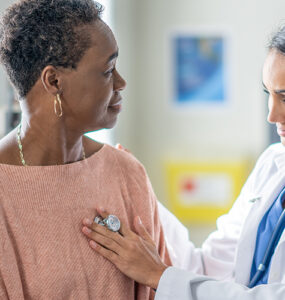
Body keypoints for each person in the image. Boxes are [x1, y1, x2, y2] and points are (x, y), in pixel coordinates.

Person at [81, 25, 285, 299]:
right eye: (267, 94)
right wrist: (141, 188)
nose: (271, 116)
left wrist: (157, 275)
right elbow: (206, 269)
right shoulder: (272, 163)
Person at [0, 0, 171, 299]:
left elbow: (166, 287)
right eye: (107, 70)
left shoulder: (127, 173)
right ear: (54, 80)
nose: (121, 82)